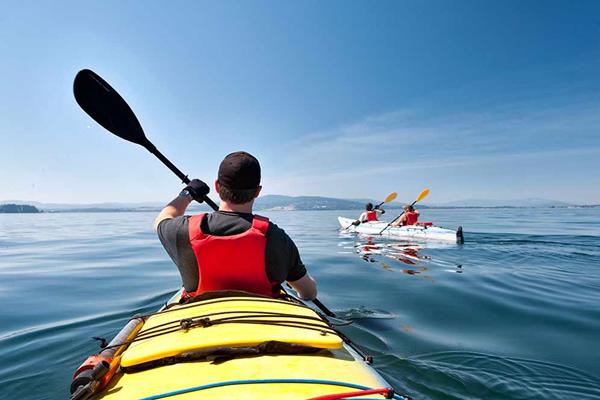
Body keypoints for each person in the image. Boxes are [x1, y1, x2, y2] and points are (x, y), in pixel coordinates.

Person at [154, 151, 317, 300]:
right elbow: (308, 293)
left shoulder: (184, 231)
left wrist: (188, 193)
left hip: (201, 323)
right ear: (257, 191)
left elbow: (162, 220)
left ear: (217, 186)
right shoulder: (276, 238)